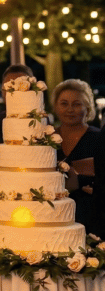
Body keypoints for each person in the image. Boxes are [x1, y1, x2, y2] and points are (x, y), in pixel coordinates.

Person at [52, 79, 100, 232]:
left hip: (91, 220)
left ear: (87, 107)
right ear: (55, 106)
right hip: (52, 218)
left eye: (77, 104)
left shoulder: (99, 138)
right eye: (64, 103)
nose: (70, 109)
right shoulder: (45, 139)